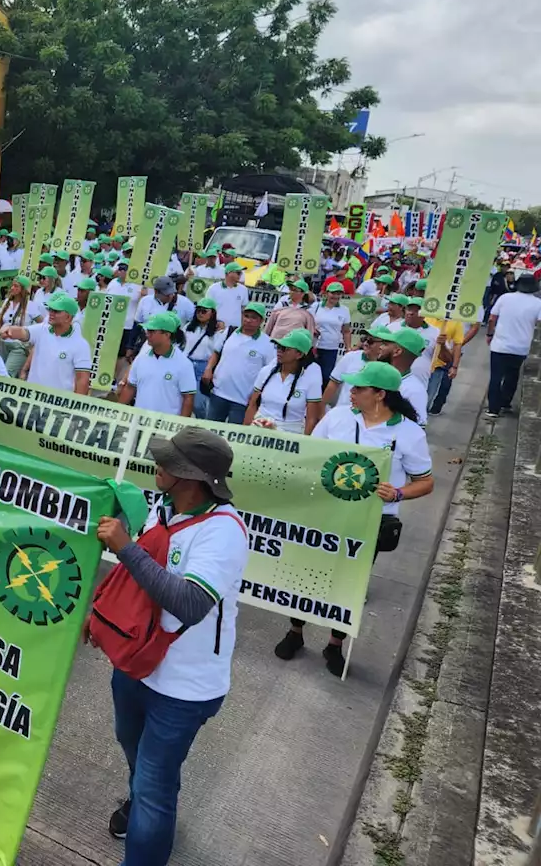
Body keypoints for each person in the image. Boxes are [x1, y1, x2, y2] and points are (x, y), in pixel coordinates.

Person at [93, 428, 248, 865]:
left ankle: (146, 818)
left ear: (190, 477)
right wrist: (101, 614)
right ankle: (139, 798)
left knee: (156, 786)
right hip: (136, 663)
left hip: (184, 685)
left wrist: (125, 548)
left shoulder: (224, 532)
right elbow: (136, 582)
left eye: (168, 462)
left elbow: (191, 603)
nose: (157, 465)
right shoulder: (162, 509)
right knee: (133, 749)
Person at [279, 362, 433, 675]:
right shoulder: (337, 418)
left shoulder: (408, 433)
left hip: (369, 520)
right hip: (326, 512)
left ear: (380, 394)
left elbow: (426, 482)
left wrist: (399, 493)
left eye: (359, 388)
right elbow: (311, 453)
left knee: (348, 582)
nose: (351, 391)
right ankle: (295, 631)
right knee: (308, 573)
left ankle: (335, 643)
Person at [0, 292, 92, 395]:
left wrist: (76, 405)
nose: (51, 313)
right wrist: (9, 330)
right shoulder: (42, 329)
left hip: (58, 403)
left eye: (56, 311)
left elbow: (82, 379)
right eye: (50, 309)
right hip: (32, 397)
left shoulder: (80, 345)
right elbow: (23, 332)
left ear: (68, 317)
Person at [201, 304, 275, 424]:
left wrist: (257, 395)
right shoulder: (229, 332)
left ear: (261, 321)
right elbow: (216, 352)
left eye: (253, 318)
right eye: (246, 316)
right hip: (218, 393)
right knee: (210, 431)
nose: (248, 320)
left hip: (242, 400)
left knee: (234, 436)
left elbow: (270, 371)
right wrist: (208, 369)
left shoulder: (268, 344)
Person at [244, 329, 323, 434]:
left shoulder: (310, 378)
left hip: (289, 434)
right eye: (278, 346)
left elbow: (311, 419)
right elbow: (252, 405)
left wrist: (304, 444)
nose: (279, 351)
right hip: (258, 429)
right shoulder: (266, 371)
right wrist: (244, 432)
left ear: (299, 354)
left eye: (285, 348)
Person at [486, 272, 541, 417]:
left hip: (500, 344)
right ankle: (505, 402)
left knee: (496, 377)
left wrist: (490, 334)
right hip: (521, 347)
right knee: (512, 375)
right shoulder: (537, 303)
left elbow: (492, 318)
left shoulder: (505, 298)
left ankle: (493, 409)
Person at [120, 312, 196, 415]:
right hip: (138, 421)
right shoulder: (141, 358)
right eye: (147, 331)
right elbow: (130, 387)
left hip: (165, 426)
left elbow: (188, 398)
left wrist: (180, 426)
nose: (147, 334)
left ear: (166, 335)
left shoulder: (184, 364)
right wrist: (118, 413)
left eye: (152, 331)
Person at [369, 328, 429, 426]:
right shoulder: (375, 375)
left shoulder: (414, 391)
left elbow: (416, 430)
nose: (380, 347)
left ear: (397, 351)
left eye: (385, 344)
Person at [182, 299, 223, 417]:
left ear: (212, 313)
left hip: (203, 367)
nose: (200, 313)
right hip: (187, 364)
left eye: (204, 311)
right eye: (198, 311)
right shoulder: (188, 327)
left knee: (199, 404)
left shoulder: (217, 331)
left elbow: (217, 352)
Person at [323, 332, 384, 409]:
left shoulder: (387, 368)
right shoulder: (351, 356)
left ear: (382, 345)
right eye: (364, 339)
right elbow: (333, 384)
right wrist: (321, 410)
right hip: (343, 412)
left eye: (370, 341)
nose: (365, 343)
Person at [0, 275, 35, 377]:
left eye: (16, 286)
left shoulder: (31, 305)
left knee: (7, 375)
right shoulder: (7, 302)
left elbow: (42, 324)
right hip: (4, 344)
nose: (12, 288)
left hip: (19, 347)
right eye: (12, 285)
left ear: (22, 289)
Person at [309, 280, 351, 381]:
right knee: (310, 374)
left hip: (331, 348)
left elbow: (346, 331)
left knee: (325, 376)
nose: (336, 296)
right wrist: (313, 329)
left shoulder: (344, 310)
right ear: (326, 293)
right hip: (313, 346)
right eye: (333, 293)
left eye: (339, 293)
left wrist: (348, 348)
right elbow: (306, 322)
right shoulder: (316, 306)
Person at [426, 317, 465, 417]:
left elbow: (457, 345)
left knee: (427, 399)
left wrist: (454, 366)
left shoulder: (456, 322)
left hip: (438, 366)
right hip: (421, 365)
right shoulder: (426, 316)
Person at [398, 299, 441, 387]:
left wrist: (442, 345)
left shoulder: (435, 332)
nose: (411, 313)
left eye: (416, 310)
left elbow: (446, 358)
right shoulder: (393, 328)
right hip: (394, 381)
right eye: (409, 309)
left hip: (420, 382)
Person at [206, 263, 249, 331]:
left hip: (235, 329)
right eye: (238, 273)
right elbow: (207, 308)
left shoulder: (244, 289)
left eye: (241, 273)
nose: (240, 275)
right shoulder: (213, 288)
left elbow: (243, 310)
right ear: (229, 273)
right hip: (216, 328)